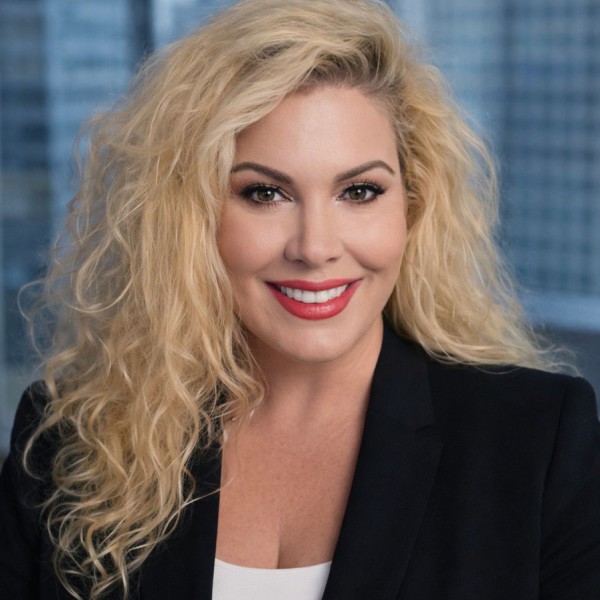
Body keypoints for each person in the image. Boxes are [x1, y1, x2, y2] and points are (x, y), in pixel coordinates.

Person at [1, 0, 599, 598]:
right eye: (265, 194)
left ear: (412, 206)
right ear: (190, 217)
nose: (315, 248)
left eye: (359, 191)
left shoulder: (543, 443)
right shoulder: (67, 442)